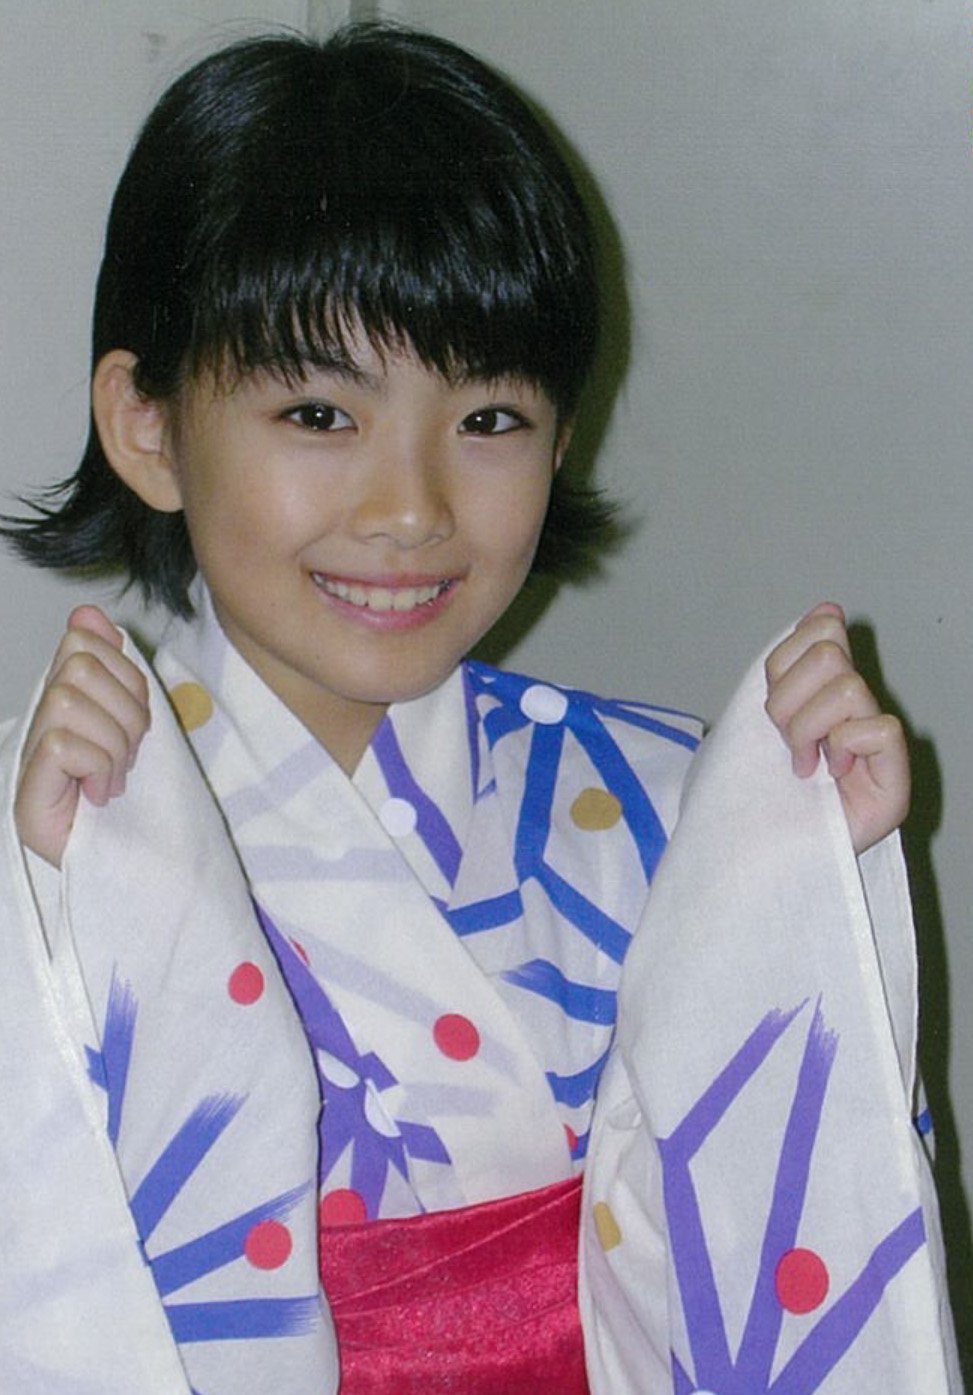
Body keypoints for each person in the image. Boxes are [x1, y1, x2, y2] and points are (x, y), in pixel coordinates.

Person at [0, 22, 954, 1395]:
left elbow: (796, 1234)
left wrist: (804, 886)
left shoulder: (669, 804)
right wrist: (38, 910)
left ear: (562, 436)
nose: (411, 509)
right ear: (146, 426)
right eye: (318, 415)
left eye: (490, 419)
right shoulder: (66, 829)